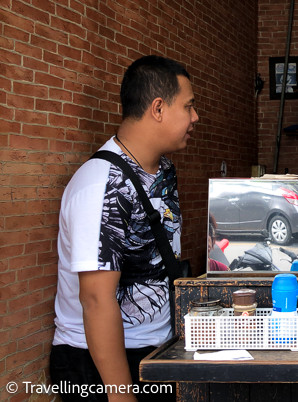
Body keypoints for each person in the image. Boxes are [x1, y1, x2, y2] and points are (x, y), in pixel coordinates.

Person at [50, 55, 198, 402]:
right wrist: (121, 394)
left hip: (152, 353)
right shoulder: (103, 185)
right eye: (189, 106)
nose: (195, 117)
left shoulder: (162, 171)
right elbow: (96, 299)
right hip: (101, 367)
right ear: (158, 108)